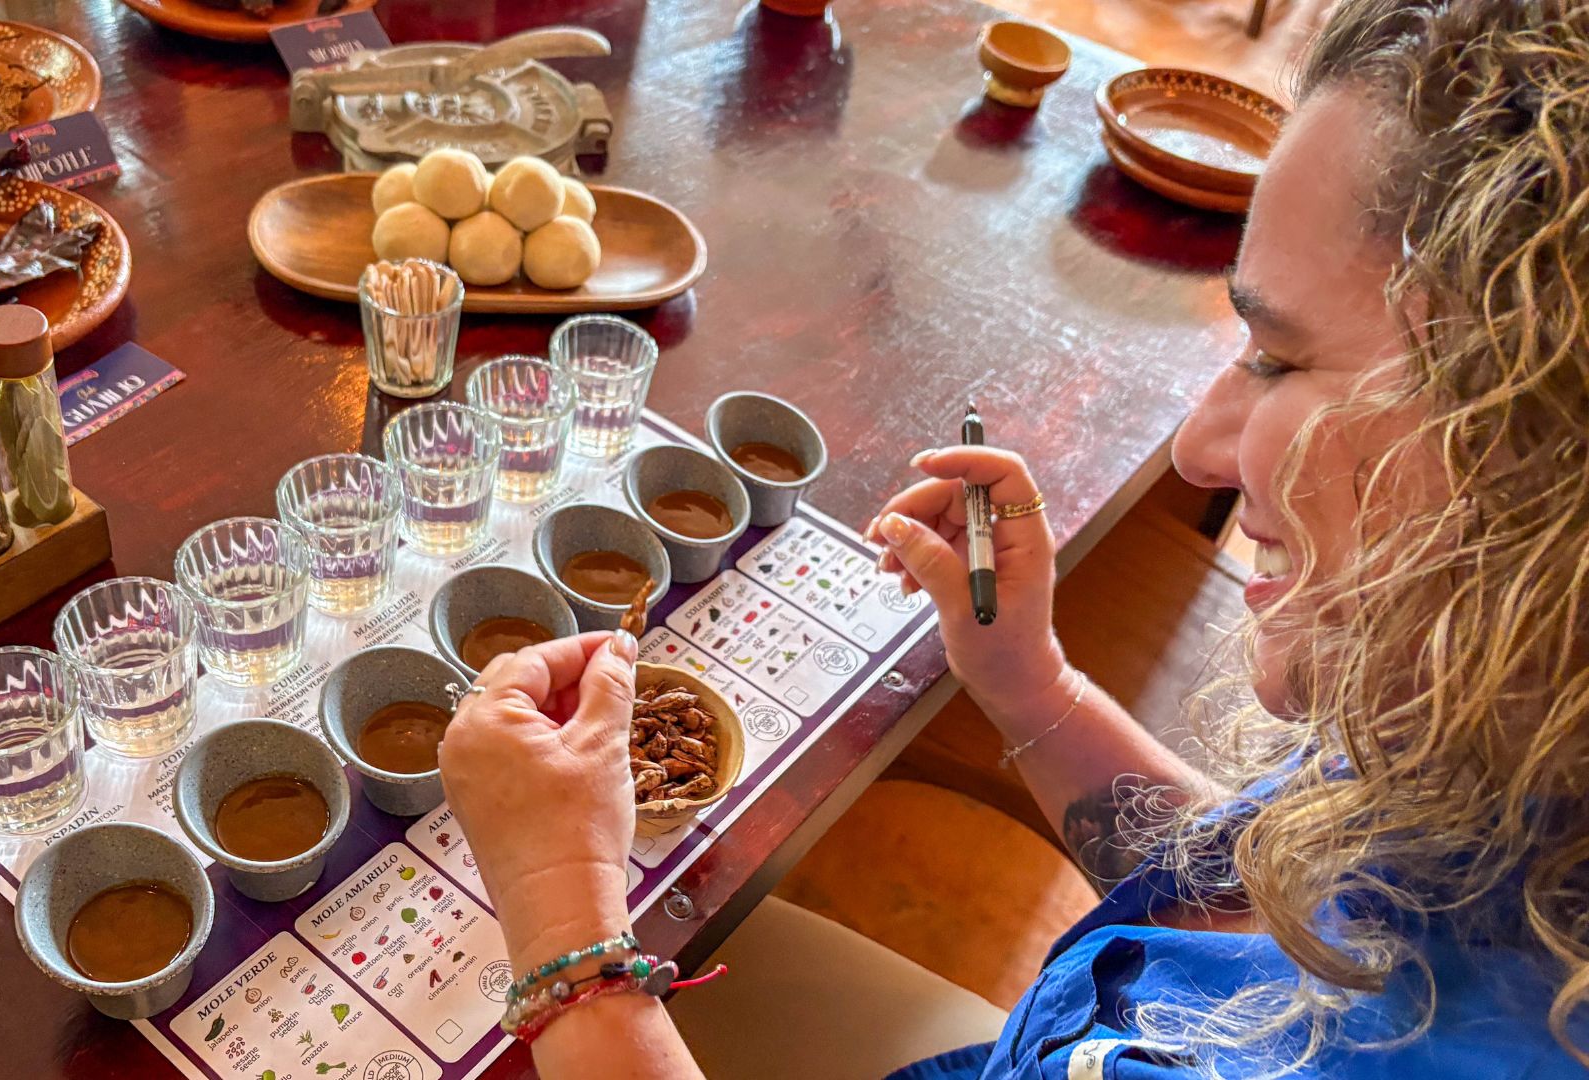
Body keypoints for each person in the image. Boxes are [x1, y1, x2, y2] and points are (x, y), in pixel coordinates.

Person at [438, 0, 1589, 1075]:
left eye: (1281, 358)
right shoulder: (1494, 745)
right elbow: (1261, 901)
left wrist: (561, 913)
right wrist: (1029, 681)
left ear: (1536, 467)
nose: (1199, 448)